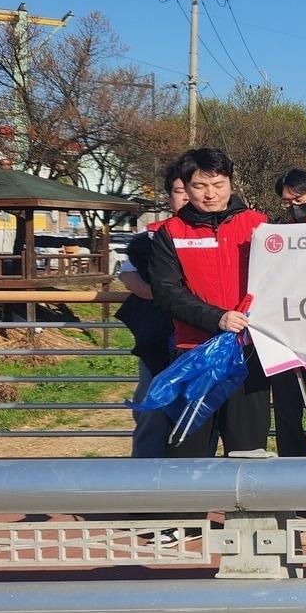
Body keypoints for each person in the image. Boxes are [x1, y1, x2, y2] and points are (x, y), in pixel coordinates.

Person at [148, 148, 271, 458]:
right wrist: (216, 318)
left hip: (248, 354)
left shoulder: (259, 225)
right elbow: (167, 292)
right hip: (193, 356)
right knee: (187, 452)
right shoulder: (170, 233)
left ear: (231, 182)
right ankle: (186, 509)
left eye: (218, 184)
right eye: (200, 186)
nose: (210, 194)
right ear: (186, 188)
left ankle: (250, 509)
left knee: (249, 453)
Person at [117, 159, 188, 458]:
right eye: (179, 190)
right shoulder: (151, 233)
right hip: (161, 337)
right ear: (169, 196)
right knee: (152, 405)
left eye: (192, 188)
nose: (186, 196)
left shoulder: (221, 229)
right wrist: (163, 297)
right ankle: (144, 486)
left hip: (207, 335)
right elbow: (128, 274)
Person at [265, 168, 306, 457]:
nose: (293, 207)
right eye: (287, 202)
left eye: (298, 199)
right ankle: (295, 462)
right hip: (288, 335)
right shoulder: (277, 233)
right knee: (287, 409)